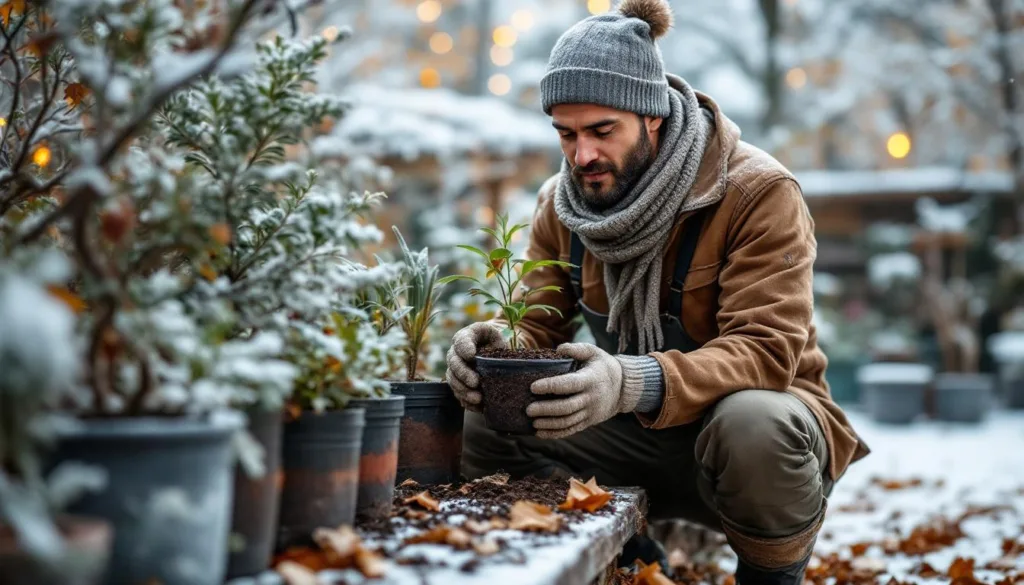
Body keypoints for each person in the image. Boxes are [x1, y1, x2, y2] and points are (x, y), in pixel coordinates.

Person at [444, 0, 870, 583]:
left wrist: (628, 381)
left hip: (752, 437)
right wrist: (494, 350)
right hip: (631, 435)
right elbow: (537, 327)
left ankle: (770, 577)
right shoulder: (561, 205)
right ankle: (630, 555)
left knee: (752, 424)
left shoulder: (757, 192)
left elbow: (767, 352)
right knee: (490, 419)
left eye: (602, 131)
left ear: (652, 116)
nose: (582, 156)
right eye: (566, 134)